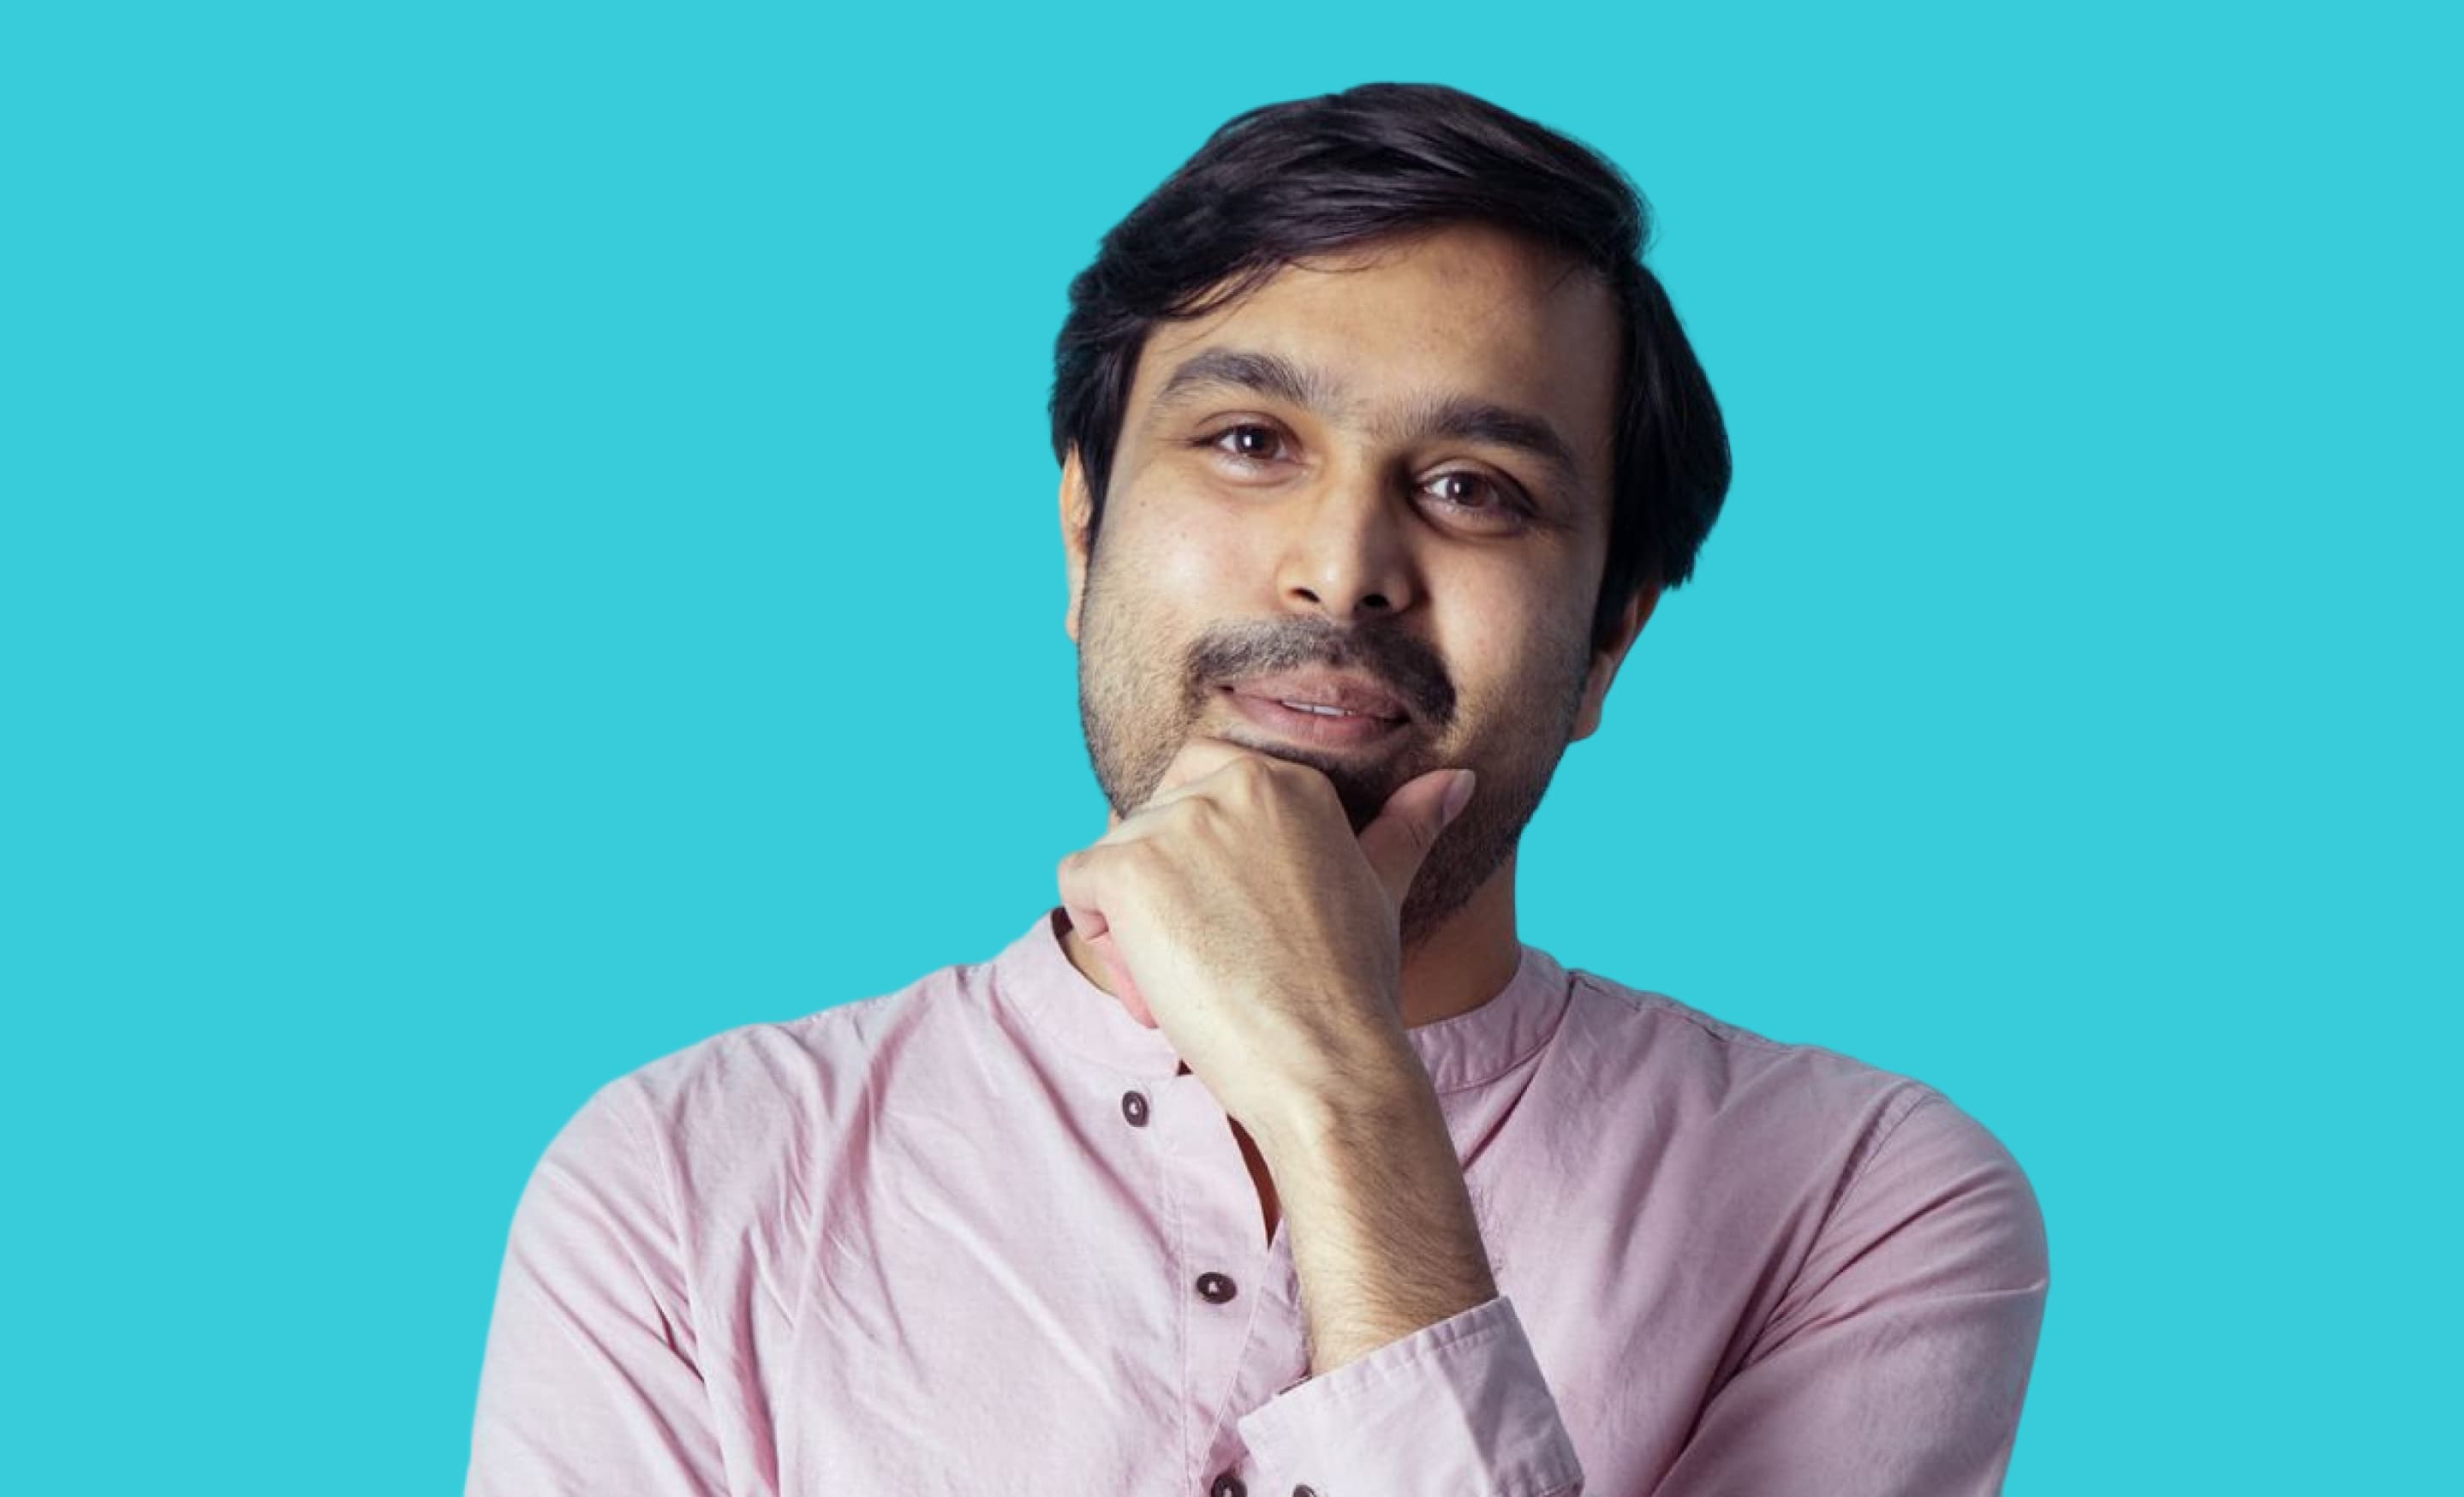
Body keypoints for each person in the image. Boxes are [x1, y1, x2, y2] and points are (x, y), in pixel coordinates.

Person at [466, 81, 2048, 1497]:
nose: (1341, 570)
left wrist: (1346, 1100)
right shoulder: (687, 1184)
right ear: (1082, 540)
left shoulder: (1866, 1202)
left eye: (1470, 491)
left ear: (1609, 644)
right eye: (1246, 440)